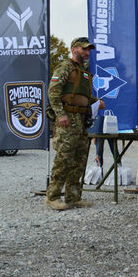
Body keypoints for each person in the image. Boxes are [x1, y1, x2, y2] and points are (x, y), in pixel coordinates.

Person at [46, 37, 105, 210]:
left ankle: (73, 197)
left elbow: (84, 97)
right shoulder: (65, 67)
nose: (87, 53)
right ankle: (53, 196)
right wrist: (60, 114)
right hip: (67, 119)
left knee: (79, 160)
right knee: (63, 159)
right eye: (84, 49)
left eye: (88, 50)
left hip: (81, 121)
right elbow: (53, 91)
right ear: (74, 49)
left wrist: (97, 101)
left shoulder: (84, 72)